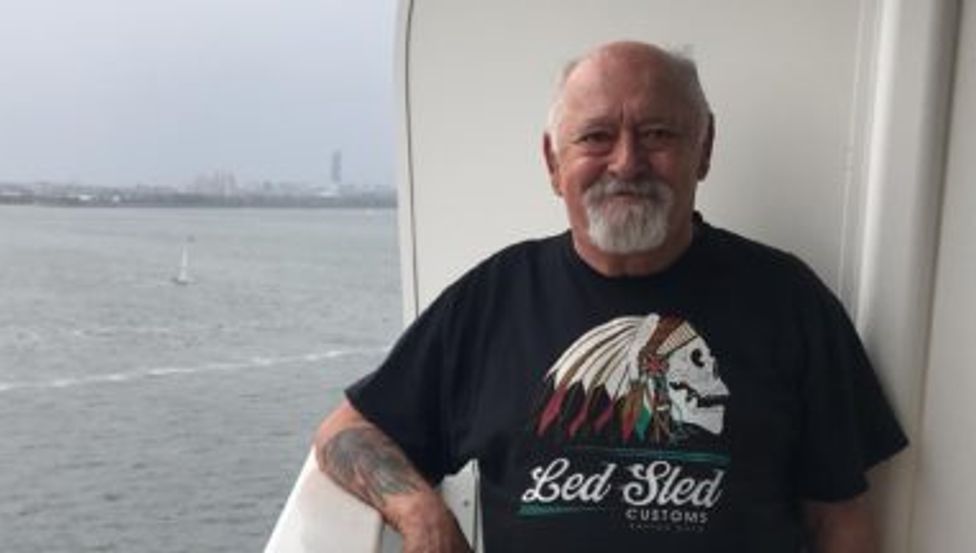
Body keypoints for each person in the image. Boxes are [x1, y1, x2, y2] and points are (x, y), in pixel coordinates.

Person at [313, 41, 907, 553]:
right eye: (597, 137)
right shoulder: (493, 299)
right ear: (554, 162)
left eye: (658, 134)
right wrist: (421, 513)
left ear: (704, 149)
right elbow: (347, 429)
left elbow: (840, 519)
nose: (627, 162)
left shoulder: (789, 301)